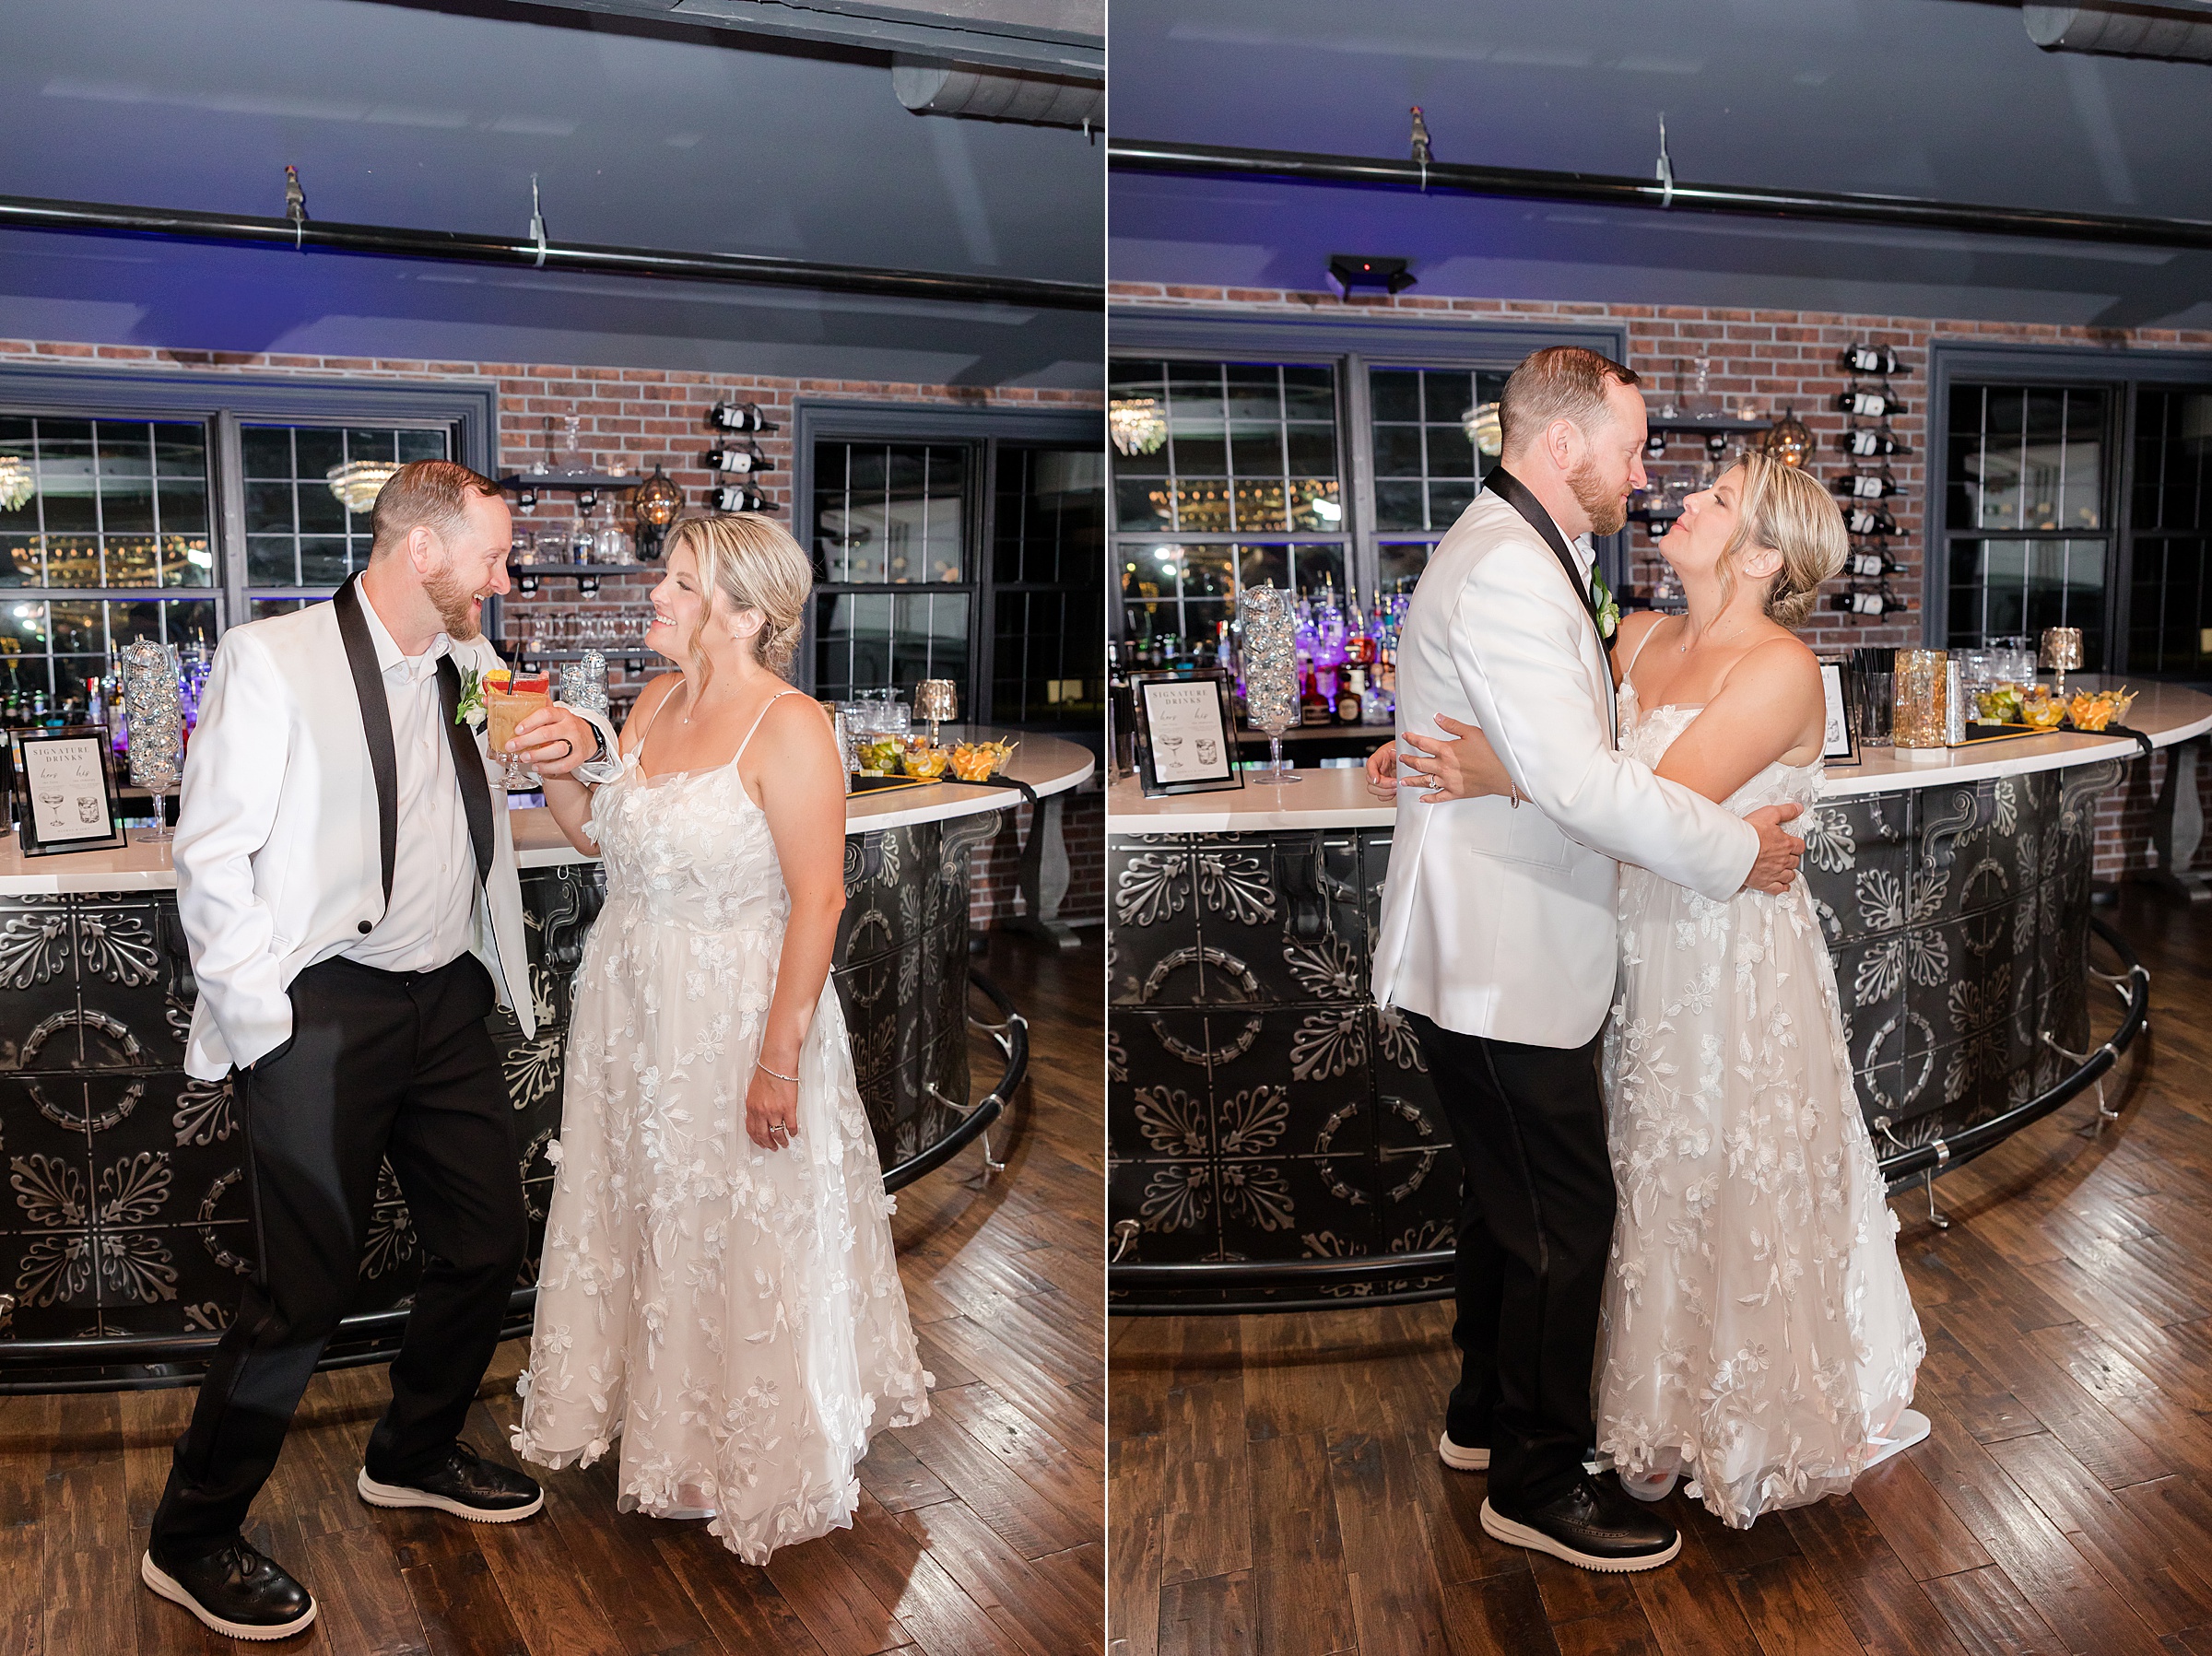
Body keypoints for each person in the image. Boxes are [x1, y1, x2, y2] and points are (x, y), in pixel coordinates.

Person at [1372, 452, 1927, 1530]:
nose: (1681, 501)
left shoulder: (1776, 671)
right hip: (1625, 947)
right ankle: (1622, 1408)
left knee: (1711, 1174)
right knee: (1620, 1183)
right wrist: (1442, 754)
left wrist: (1506, 775)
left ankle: (1717, 1416)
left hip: (1724, 966)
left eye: (1717, 501)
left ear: (1762, 555)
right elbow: (1574, 765)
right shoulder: (1633, 633)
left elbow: (1647, 804)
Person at [149, 461, 618, 1639]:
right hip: (324, 1014)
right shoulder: (277, 660)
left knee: (486, 1240)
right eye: (494, 558)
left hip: (447, 1001)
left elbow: (573, 730)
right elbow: (209, 858)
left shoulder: (468, 668)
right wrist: (267, 1025)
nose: (504, 580)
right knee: (301, 1288)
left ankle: (411, 1451)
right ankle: (191, 1535)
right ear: (423, 554)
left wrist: (584, 734)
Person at [512, 513, 930, 1563]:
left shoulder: (790, 725)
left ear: (744, 612)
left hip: (739, 1010)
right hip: (635, 1007)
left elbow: (821, 899)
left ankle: (755, 1445)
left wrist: (776, 1059)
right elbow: (603, 839)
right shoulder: (654, 702)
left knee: (740, 1221)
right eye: (665, 577)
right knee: (657, 1211)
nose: (657, 595)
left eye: (682, 584)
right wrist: (553, 767)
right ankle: (672, 1429)